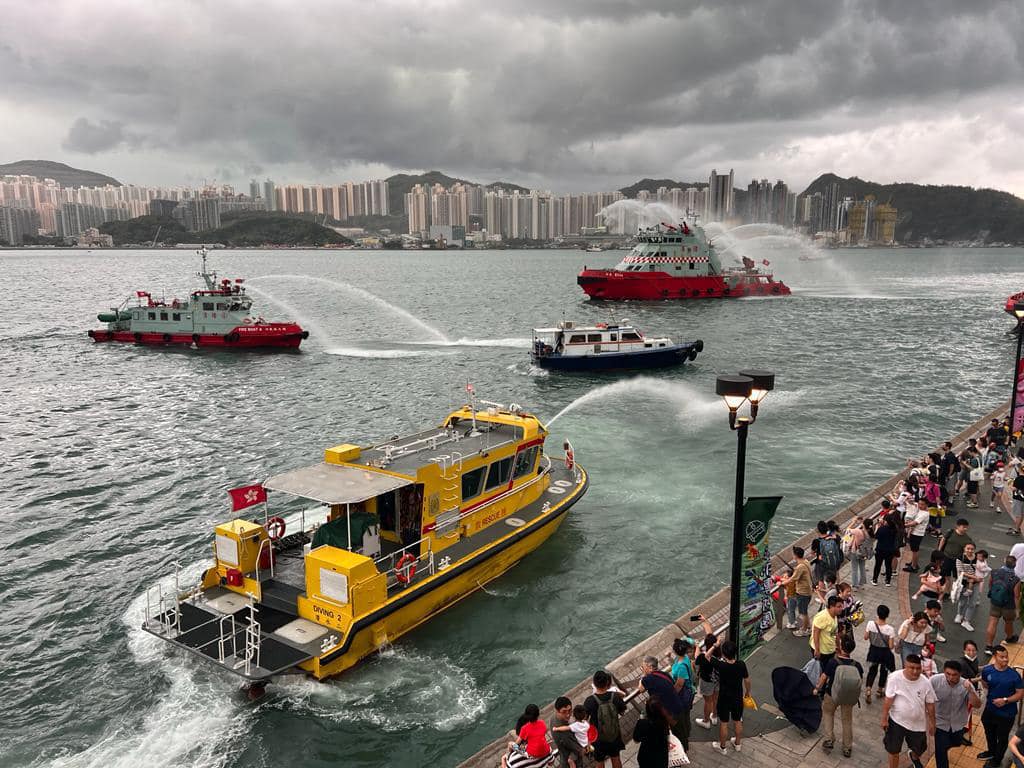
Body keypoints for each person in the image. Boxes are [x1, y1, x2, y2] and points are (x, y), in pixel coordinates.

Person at [881, 653, 936, 768]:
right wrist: (884, 718)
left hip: (917, 724)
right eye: (912, 668)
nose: (915, 671)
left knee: (920, 748)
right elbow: (888, 699)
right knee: (893, 750)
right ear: (905, 666)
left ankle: (914, 756)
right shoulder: (895, 678)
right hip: (897, 721)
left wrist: (932, 723)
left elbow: (930, 704)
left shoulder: (925, 682)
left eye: (918, 668)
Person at [814, 635, 863, 757]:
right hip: (848, 697)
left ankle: (829, 739)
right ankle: (847, 747)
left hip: (832, 694)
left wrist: (817, 689)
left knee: (828, 713)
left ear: (840, 648)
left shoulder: (833, 662)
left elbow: (824, 678)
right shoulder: (857, 665)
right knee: (847, 721)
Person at [930, 659, 982, 768]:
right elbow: (925, 699)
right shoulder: (934, 681)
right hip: (940, 723)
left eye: (954, 675)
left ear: (960, 674)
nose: (951, 678)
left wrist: (971, 691)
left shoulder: (965, 684)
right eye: (948, 674)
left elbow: (977, 705)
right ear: (944, 671)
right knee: (941, 751)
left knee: (956, 742)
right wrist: (930, 721)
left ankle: (947, 744)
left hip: (958, 724)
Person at [979, 646, 1024, 768]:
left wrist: (1006, 700)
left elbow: (1020, 694)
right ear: (994, 657)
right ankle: (991, 752)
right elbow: (985, 684)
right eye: (1002, 657)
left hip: (1006, 714)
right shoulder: (987, 670)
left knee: (1002, 738)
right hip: (990, 710)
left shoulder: (1014, 676)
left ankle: (996, 761)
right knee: (989, 734)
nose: (1006, 659)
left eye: (1006, 656)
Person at [705, 639, 750, 755]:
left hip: (724, 698)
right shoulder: (741, 664)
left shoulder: (721, 665)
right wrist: (748, 692)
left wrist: (715, 645)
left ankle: (723, 747)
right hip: (737, 697)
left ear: (724, 654)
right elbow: (747, 680)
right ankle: (738, 744)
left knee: (724, 723)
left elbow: (707, 655)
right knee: (738, 720)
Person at [637, 656, 688, 750]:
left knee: (675, 733)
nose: (642, 669)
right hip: (677, 705)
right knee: (680, 732)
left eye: (643, 667)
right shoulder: (664, 673)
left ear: (650, 667)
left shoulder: (649, 678)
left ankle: (681, 753)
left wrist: (642, 677)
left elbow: (641, 689)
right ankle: (684, 750)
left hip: (669, 712)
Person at [584, 670, 626, 768]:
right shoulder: (614, 696)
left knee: (599, 761)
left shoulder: (589, 701)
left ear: (594, 683)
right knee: (616, 758)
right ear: (607, 682)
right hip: (614, 734)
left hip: (597, 739)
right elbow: (622, 711)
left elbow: (584, 720)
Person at [985, 555, 1022, 654]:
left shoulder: (994, 572)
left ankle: (988, 646)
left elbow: (990, 584)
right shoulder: (1016, 579)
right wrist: (1017, 610)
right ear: (1015, 565)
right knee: (1008, 622)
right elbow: (1016, 595)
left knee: (992, 622)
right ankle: (1009, 638)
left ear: (1005, 561)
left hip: (995, 602)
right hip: (1008, 605)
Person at [864, 604, 897, 704]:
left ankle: (868, 689)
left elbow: (865, 637)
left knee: (872, 670)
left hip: (873, 651)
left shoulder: (870, 624)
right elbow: (891, 646)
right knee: (883, 671)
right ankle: (879, 690)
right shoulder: (890, 629)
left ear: (877, 614)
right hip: (884, 653)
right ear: (887, 615)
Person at [503, 704, 553, 768]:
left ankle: (507, 756)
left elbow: (517, 743)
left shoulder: (525, 728)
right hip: (545, 750)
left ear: (526, 715)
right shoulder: (542, 723)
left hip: (531, 754)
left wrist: (515, 747)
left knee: (510, 744)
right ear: (538, 714)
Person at [778, 546, 813, 635]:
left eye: (793, 554)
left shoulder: (800, 567)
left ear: (795, 556)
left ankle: (804, 631)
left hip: (803, 592)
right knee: (804, 611)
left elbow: (792, 579)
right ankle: (807, 627)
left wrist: (782, 583)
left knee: (803, 613)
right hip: (808, 590)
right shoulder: (806, 562)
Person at [937, 518, 973, 600]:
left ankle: (955, 591)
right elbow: (943, 539)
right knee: (946, 576)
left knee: (957, 577)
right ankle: (947, 592)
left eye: (966, 527)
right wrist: (939, 550)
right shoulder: (951, 532)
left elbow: (969, 549)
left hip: (957, 561)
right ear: (957, 526)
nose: (965, 529)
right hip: (946, 557)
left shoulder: (967, 539)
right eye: (963, 527)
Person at [632, 698, 669, 768]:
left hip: (646, 756)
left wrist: (640, 720)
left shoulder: (642, 723)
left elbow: (636, 740)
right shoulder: (664, 720)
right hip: (661, 756)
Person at [693, 631, 720, 729]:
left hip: (706, 681)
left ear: (707, 644)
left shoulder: (704, 657)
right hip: (717, 680)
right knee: (715, 698)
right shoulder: (719, 654)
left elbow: (697, 657)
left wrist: (697, 646)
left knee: (708, 702)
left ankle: (706, 721)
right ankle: (714, 716)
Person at [953, 542, 982, 631]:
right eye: (968, 548)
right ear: (964, 549)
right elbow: (961, 571)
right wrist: (973, 577)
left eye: (972, 549)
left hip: (975, 583)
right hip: (964, 583)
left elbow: (982, 568)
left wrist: (979, 578)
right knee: (962, 601)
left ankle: (966, 621)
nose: (970, 550)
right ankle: (959, 614)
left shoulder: (978, 558)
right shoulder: (960, 558)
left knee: (972, 603)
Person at [810, 596, 843, 667]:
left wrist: (838, 647)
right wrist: (817, 650)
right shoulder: (822, 617)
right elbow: (816, 633)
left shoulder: (835, 615)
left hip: (830, 650)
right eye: (839, 606)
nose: (841, 609)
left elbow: (835, 633)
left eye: (841, 606)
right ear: (831, 606)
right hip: (822, 652)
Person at [872, 511, 899, 586]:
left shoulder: (882, 529)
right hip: (890, 550)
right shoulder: (894, 529)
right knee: (888, 565)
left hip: (880, 549)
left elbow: (876, 537)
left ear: (886, 521)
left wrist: (878, 527)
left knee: (878, 565)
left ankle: (875, 580)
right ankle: (888, 581)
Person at [902, 500, 931, 572]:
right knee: (914, 549)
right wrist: (911, 501)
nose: (920, 505)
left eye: (922, 504)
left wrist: (903, 526)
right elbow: (913, 503)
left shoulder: (924, 514)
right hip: (915, 532)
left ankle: (914, 567)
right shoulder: (920, 509)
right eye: (919, 504)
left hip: (917, 533)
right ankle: (913, 562)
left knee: (915, 550)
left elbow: (915, 523)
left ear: (926, 505)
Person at [843, 515, 870, 588]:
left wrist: (853, 522)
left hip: (855, 552)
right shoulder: (868, 533)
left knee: (854, 568)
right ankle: (862, 582)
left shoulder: (858, 532)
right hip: (863, 552)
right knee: (862, 567)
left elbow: (847, 530)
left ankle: (855, 584)